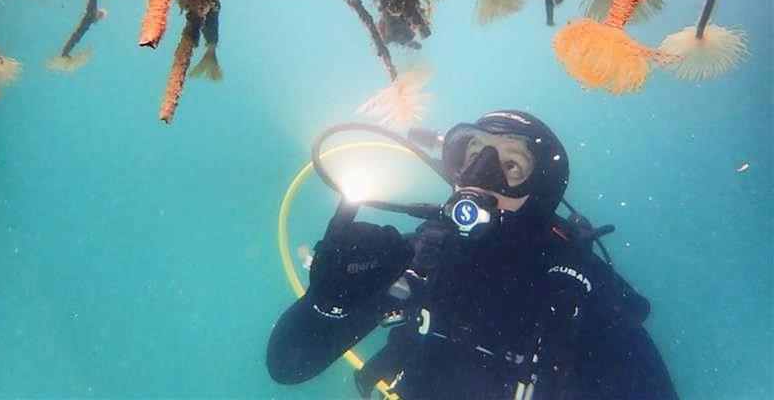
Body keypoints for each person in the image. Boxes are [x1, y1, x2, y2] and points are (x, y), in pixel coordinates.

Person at [267, 110, 678, 399]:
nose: (480, 176)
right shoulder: (422, 258)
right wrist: (328, 303)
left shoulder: (572, 289)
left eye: (511, 166)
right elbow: (289, 366)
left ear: (541, 194)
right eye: (474, 154)